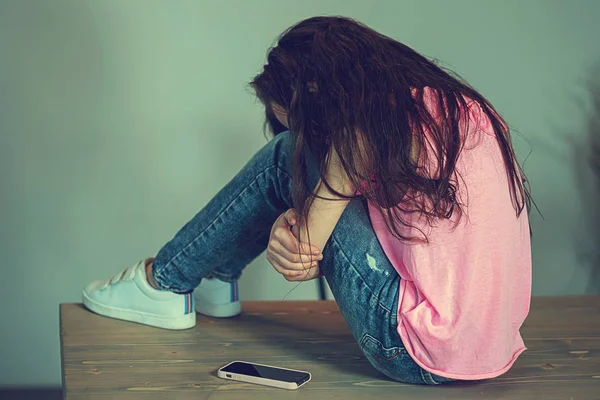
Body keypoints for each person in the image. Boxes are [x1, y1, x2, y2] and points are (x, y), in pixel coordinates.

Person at [82, 16, 532, 385]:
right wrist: (302, 223)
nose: (313, 142)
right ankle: (217, 274)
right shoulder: (458, 109)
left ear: (319, 93)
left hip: (413, 351)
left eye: (308, 126)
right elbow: (370, 226)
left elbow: (306, 250)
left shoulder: (366, 129)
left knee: (283, 159)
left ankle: (165, 282)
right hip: (489, 346)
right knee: (295, 172)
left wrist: (300, 233)